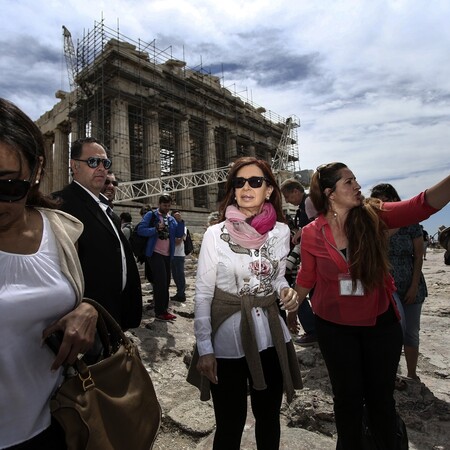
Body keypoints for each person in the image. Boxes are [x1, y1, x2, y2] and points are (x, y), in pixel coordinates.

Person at [290, 162, 450, 449]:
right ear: (330, 193)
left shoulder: (374, 215)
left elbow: (422, 205)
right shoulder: (313, 232)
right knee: (347, 399)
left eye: (355, 180)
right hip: (334, 327)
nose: (357, 186)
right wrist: (293, 306)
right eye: (348, 182)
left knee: (381, 398)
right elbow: (307, 276)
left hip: (380, 323)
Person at [0, 98, 98, 448]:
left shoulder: (62, 230)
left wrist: (88, 308)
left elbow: (83, 293)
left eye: (7, 186)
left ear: (36, 171)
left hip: (57, 421)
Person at [187, 157, 302, 450]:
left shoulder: (280, 232)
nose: (246, 187)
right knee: (229, 424)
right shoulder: (216, 234)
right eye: (239, 182)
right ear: (233, 190)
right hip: (227, 340)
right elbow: (203, 293)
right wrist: (205, 348)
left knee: (269, 419)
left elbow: (276, 278)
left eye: (255, 181)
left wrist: (286, 292)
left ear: (269, 191)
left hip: (269, 336)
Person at [53, 137, 142, 330]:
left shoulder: (108, 211)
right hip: (83, 321)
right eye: (93, 162)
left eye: (105, 163)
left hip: (113, 314)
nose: (101, 168)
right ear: (74, 166)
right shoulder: (59, 204)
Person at [370, 183, 428, 383]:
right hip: (386, 285)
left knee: (411, 332)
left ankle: (412, 374)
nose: (383, 205)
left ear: (395, 200)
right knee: (395, 330)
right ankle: (391, 374)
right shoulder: (374, 225)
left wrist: (413, 286)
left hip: (412, 282)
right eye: (379, 202)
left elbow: (419, 256)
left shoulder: (411, 222)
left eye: (386, 200)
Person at [280, 178, 317, 346]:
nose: (287, 200)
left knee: (298, 294)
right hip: (312, 257)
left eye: (288, 196)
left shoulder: (309, 202)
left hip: (315, 258)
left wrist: (299, 233)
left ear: (296, 191)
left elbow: (316, 224)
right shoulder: (303, 206)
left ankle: (313, 331)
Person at [137, 194, 184, 321]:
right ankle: (160, 311)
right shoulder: (151, 215)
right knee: (161, 282)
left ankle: (163, 309)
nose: (167, 208)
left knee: (166, 282)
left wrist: (180, 222)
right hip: (155, 253)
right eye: (164, 205)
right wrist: (156, 229)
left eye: (169, 206)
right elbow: (141, 230)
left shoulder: (172, 219)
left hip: (168, 255)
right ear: (159, 204)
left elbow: (179, 234)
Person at [171, 210, 187, 302]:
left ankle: (181, 294)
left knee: (179, 275)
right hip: (171, 254)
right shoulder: (171, 226)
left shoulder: (182, 226)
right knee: (175, 275)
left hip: (179, 254)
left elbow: (178, 241)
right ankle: (179, 293)